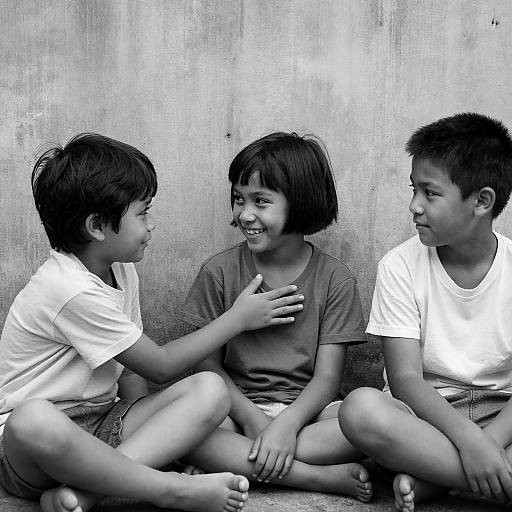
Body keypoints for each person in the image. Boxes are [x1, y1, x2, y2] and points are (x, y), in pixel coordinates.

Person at [0, 133, 305, 512]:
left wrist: (157, 429)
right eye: (142, 213)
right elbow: (159, 364)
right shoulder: (67, 288)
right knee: (33, 419)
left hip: (104, 426)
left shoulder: (121, 271)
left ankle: (90, 492)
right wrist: (237, 319)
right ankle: (167, 489)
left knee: (210, 390)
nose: (151, 224)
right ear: (98, 226)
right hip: (35, 452)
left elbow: (129, 370)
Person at [178, 132, 373, 502]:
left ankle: (233, 462)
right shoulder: (219, 272)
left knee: (371, 423)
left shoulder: (335, 278)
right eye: (239, 199)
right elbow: (206, 369)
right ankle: (317, 478)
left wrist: (285, 426)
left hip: (309, 417)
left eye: (261, 201)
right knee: (186, 423)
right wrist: (254, 420)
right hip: (235, 410)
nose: (244, 214)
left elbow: (328, 376)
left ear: (300, 203)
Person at [338, 112, 512, 511]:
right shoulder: (400, 265)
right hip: (424, 417)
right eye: (413, 189)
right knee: (360, 410)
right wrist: (470, 443)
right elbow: (404, 380)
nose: (414, 206)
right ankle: (487, 480)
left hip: (502, 414)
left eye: (430, 194)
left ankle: (439, 479)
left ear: (482, 201)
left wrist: (488, 443)